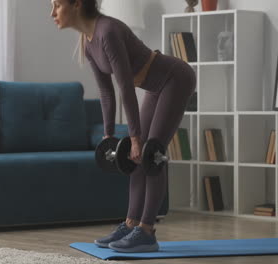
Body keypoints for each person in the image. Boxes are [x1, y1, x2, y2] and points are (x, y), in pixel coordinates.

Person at [50, 0, 196, 253]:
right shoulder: (87, 42)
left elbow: (126, 88)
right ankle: (131, 225)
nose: (52, 13)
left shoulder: (108, 31)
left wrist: (136, 137)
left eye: (57, 5)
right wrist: (108, 136)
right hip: (155, 85)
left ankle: (147, 232)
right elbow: (107, 93)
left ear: (76, 5)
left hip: (175, 78)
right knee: (134, 156)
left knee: (152, 155)